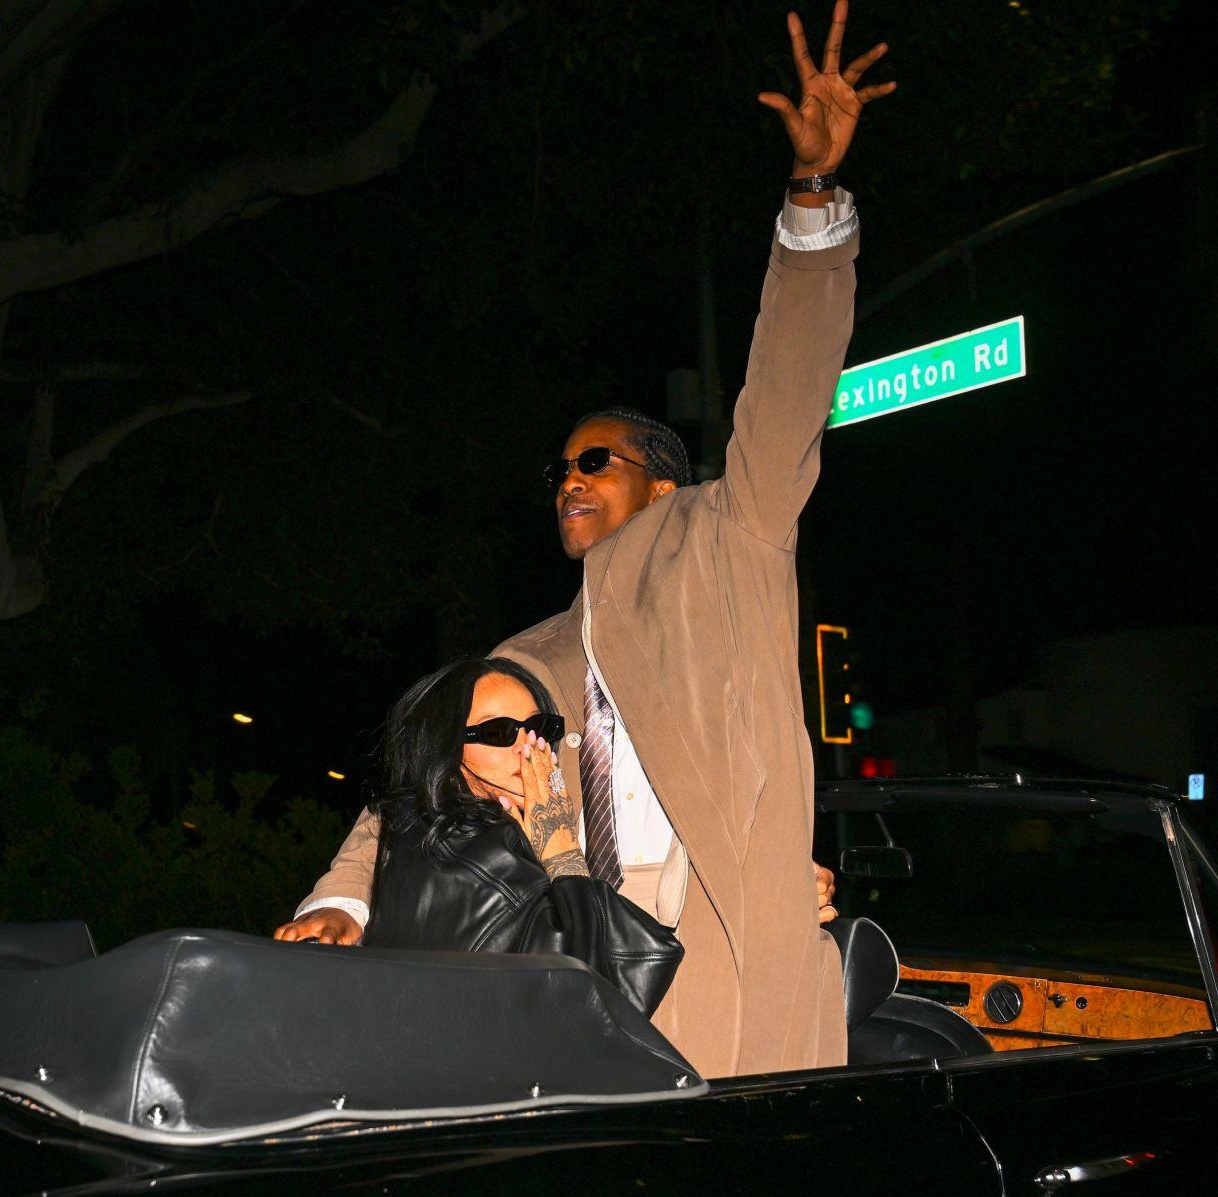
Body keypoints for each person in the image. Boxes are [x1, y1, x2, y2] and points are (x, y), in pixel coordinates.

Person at [277, 2, 895, 1077]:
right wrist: (342, 901)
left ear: (662, 478)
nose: (568, 478)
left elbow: (787, 390)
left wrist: (810, 197)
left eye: (594, 459)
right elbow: (424, 786)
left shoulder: (729, 536)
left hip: (719, 956)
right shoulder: (534, 655)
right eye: (559, 468)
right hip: (582, 964)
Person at [361, 656, 683, 1018]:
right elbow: (593, 1003)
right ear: (442, 745)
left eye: (538, 727)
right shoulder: (481, 855)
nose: (526, 746)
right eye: (498, 731)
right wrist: (563, 854)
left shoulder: (416, 842)